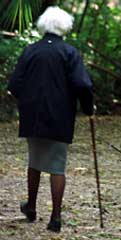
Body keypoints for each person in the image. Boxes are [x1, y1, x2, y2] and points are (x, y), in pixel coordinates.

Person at [7, 6, 94, 233]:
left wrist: (27, 101)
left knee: (34, 161)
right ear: (64, 27)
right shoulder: (69, 53)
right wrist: (88, 108)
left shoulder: (31, 51)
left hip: (32, 116)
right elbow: (83, 84)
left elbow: (14, 85)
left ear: (43, 25)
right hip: (60, 116)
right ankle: (55, 218)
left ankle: (32, 208)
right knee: (57, 165)